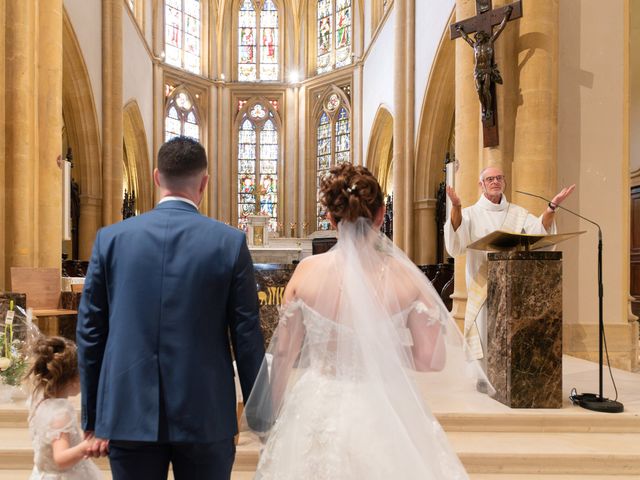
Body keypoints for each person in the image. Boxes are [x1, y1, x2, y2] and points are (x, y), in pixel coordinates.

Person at [244, 163, 490, 479]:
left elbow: (283, 354)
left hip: (317, 403)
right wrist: (384, 352)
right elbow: (431, 361)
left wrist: (271, 418)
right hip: (384, 404)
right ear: (381, 214)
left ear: (330, 217)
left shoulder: (306, 273)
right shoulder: (406, 279)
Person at [76, 136, 265, 480]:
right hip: (206, 413)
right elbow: (247, 336)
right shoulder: (229, 243)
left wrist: (93, 415)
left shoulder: (111, 239)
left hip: (128, 409)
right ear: (204, 183)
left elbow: (90, 332)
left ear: (155, 177)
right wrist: (261, 416)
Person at [444, 166, 575, 372]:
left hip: (513, 284)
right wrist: (457, 207)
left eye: (498, 178)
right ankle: (484, 375)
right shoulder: (470, 213)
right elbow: (456, 242)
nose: (495, 182)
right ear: (482, 185)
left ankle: (509, 374)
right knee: (484, 328)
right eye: (490, 179)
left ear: (504, 182)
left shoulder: (517, 213)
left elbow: (539, 233)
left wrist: (551, 208)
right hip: (482, 284)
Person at [26, 336, 102, 480]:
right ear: (73, 379)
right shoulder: (60, 413)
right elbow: (61, 459)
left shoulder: (39, 402)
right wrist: (87, 445)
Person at [456, 6, 512, 120]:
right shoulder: (475, 46)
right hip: (477, 71)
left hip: (487, 69)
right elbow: (467, 39)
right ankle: (484, 108)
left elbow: (500, 29)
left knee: (486, 90)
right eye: (477, 36)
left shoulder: (489, 42)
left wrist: (506, 15)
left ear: (483, 36)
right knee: (478, 90)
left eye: (479, 36)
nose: (477, 37)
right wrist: (460, 30)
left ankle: (489, 109)